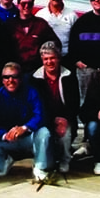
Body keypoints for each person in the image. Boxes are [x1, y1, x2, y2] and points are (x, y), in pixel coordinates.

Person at [0, 62, 53, 181]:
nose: (10, 80)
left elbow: (40, 115)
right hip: (10, 139)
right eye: (6, 77)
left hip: (28, 137)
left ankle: (40, 167)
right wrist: (5, 135)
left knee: (44, 132)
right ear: (2, 80)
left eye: (14, 77)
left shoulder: (31, 92)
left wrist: (24, 127)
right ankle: (4, 163)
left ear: (20, 78)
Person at [30, 41, 79, 174]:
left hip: (65, 116)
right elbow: (36, 106)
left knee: (65, 133)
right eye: (46, 59)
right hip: (45, 118)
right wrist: (52, 120)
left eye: (52, 58)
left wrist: (65, 119)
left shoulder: (69, 76)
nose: (49, 62)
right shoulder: (35, 79)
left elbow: (74, 103)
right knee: (49, 163)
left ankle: (65, 159)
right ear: (42, 60)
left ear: (58, 58)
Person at [6, 0, 60, 79]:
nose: (26, 6)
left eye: (29, 4)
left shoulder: (41, 24)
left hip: (36, 71)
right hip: (15, 71)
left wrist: (46, 57)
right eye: (24, 4)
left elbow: (55, 43)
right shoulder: (10, 25)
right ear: (18, 5)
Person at [35, 0, 78, 65]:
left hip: (66, 59)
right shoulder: (40, 15)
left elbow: (76, 41)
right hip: (46, 60)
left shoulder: (72, 15)